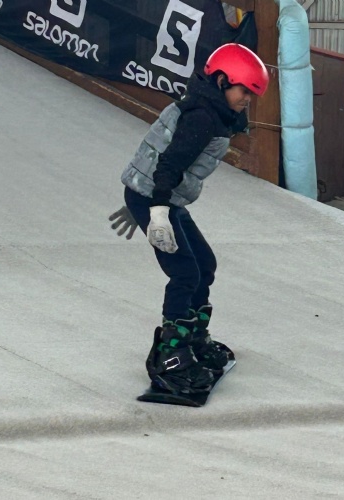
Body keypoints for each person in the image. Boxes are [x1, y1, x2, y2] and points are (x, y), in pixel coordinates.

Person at [109, 43, 269, 395]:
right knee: (185, 272)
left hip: (159, 196)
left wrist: (146, 197)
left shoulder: (213, 111)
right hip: (156, 198)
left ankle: (193, 337)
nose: (247, 100)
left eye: (252, 94)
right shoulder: (202, 117)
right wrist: (153, 210)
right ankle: (171, 354)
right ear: (223, 81)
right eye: (244, 91)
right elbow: (169, 162)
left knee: (204, 264)